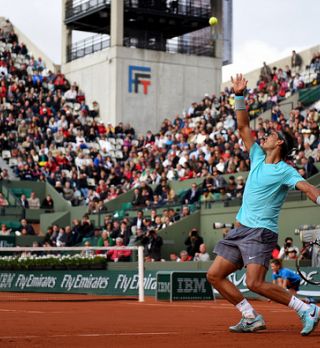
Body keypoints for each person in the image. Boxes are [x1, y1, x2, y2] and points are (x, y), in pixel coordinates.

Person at [207, 74, 320, 336]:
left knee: (254, 282)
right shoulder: (257, 156)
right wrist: (238, 95)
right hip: (239, 230)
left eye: (271, 134)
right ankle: (250, 316)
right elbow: (243, 126)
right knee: (214, 275)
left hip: (260, 232)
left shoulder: (285, 170)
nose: (265, 135)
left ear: (279, 143)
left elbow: (308, 188)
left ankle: (306, 309)